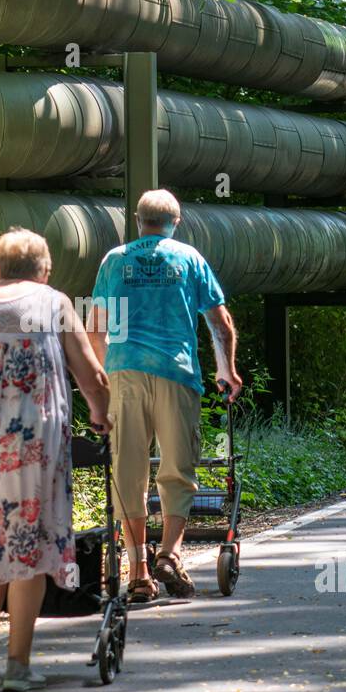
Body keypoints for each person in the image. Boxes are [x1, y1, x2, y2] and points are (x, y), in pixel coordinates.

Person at [0, 228, 111, 692]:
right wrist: (101, 417)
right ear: (44, 271)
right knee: (27, 544)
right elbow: (92, 377)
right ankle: (19, 664)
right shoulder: (53, 302)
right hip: (33, 443)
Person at [88, 189, 241, 602]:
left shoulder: (114, 260)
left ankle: (138, 570)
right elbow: (220, 323)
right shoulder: (189, 258)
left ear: (137, 221)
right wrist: (226, 370)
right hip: (176, 374)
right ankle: (170, 554)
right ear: (178, 220)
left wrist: (103, 380)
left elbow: (96, 327)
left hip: (124, 372)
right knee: (178, 468)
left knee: (129, 470)